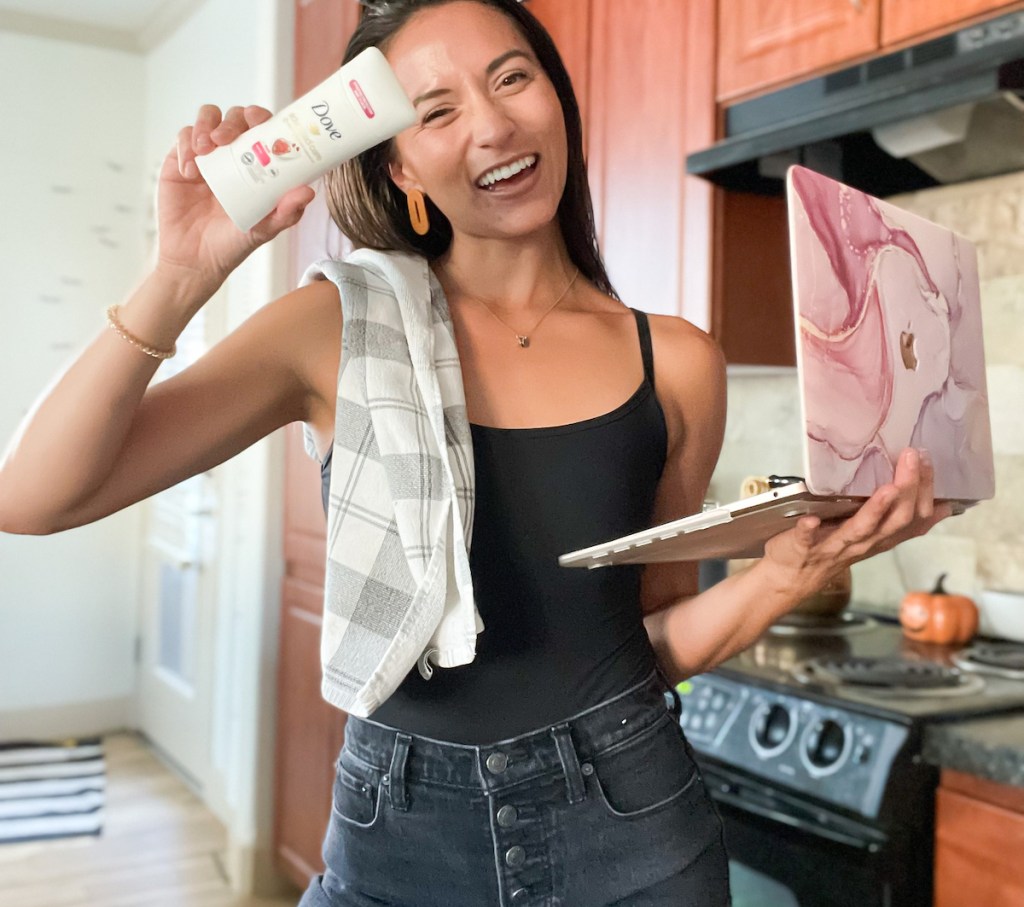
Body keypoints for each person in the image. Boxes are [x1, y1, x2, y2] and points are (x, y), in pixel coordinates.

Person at [0, 1, 950, 904]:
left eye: (512, 78)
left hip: (635, 827)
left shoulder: (680, 362)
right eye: (438, 110)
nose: (493, 126)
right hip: (396, 833)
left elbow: (649, 643)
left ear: (557, 102)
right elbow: (33, 496)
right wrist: (180, 272)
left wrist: (787, 576)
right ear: (401, 169)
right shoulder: (335, 329)